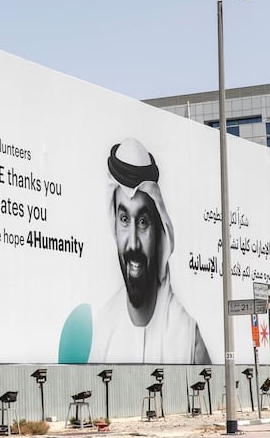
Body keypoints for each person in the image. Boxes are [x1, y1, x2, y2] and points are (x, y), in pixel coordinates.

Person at [89, 138, 210, 364]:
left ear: (159, 232)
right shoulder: (102, 331)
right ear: (114, 224)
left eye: (143, 222)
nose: (133, 243)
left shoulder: (187, 338)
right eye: (124, 219)